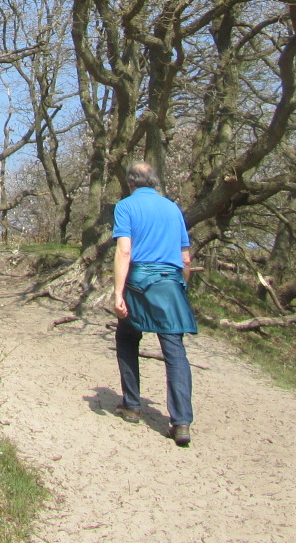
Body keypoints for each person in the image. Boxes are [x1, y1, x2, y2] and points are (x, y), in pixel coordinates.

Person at [110, 159, 196, 447]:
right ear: (154, 182)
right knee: (175, 350)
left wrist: (118, 293)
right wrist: (182, 287)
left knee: (127, 336)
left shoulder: (125, 207)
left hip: (139, 283)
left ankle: (132, 405)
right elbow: (185, 258)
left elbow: (124, 251)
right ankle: (181, 422)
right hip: (170, 284)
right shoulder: (173, 208)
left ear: (130, 183)